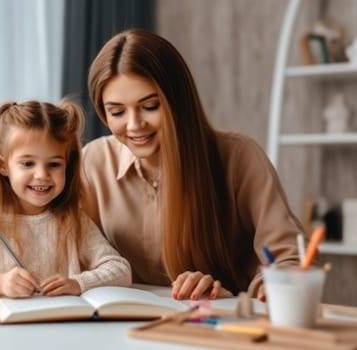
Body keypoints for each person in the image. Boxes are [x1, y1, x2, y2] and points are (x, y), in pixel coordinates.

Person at [82, 28, 302, 302]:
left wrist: (256, 291)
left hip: (215, 327)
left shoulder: (239, 157)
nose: (134, 125)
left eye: (150, 106)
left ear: (178, 101)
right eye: (117, 112)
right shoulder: (92, 162)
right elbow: (74, 255)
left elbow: (290, 259)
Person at [0, 100, 131, 299]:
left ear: (67, 166)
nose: (42, 174)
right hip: (2, 326)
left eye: (54, 164)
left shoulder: (74, 221)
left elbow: (120, 270)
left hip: (62, 325)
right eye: (28, 163)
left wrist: (79, 283)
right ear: (2, 165)